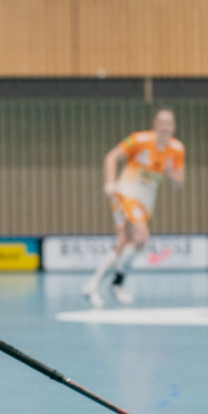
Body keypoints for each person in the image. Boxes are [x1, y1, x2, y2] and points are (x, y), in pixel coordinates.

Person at [81, 109, 185, 307]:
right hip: (127, 192)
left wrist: (171, 172)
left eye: (169, 123)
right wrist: (110, 183)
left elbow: (179, 181)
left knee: (130, 242)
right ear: (155, 124)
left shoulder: (177, 149)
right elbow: (111, 157)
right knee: (141, 235)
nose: (165, 127)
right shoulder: (138, 140)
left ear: (174, 127)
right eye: (161, 123)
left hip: (147, 200)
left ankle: (101, 285)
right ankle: (101, 285)